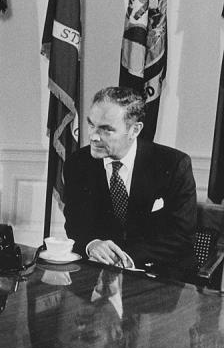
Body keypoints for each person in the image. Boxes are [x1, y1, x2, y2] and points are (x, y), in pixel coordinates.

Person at [63, 86, 197, 276]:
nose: (93, 136)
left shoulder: (174, 164)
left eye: (106, 130)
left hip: (163, 275)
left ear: (134, 130)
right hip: (101, 274)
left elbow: (181, 235)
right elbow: (75, 223)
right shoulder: (77, 163)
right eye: (91, 125)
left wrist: (126, 258)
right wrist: (92, 244)